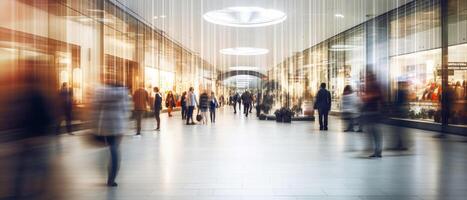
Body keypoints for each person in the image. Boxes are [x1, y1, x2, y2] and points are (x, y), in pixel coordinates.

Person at [93, 81, 131, 187]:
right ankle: (111, 179)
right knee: (115, 150)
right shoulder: (123, 94)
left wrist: (96, 126)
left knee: (111, 147)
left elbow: (96, 109)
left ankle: (107, 173)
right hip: (118, 125)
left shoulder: (102, 93)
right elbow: (126, 111)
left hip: (105, 125)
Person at [361, 73, 383, 158]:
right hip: (371, 112)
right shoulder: (369, 87)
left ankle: (378, 151)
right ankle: (376, 150)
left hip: (375, 112)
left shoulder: (374, 86)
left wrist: (367, 97)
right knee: (373, 132)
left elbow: (377, 97)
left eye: (367, 78)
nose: (366, 80)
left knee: (376, 132)